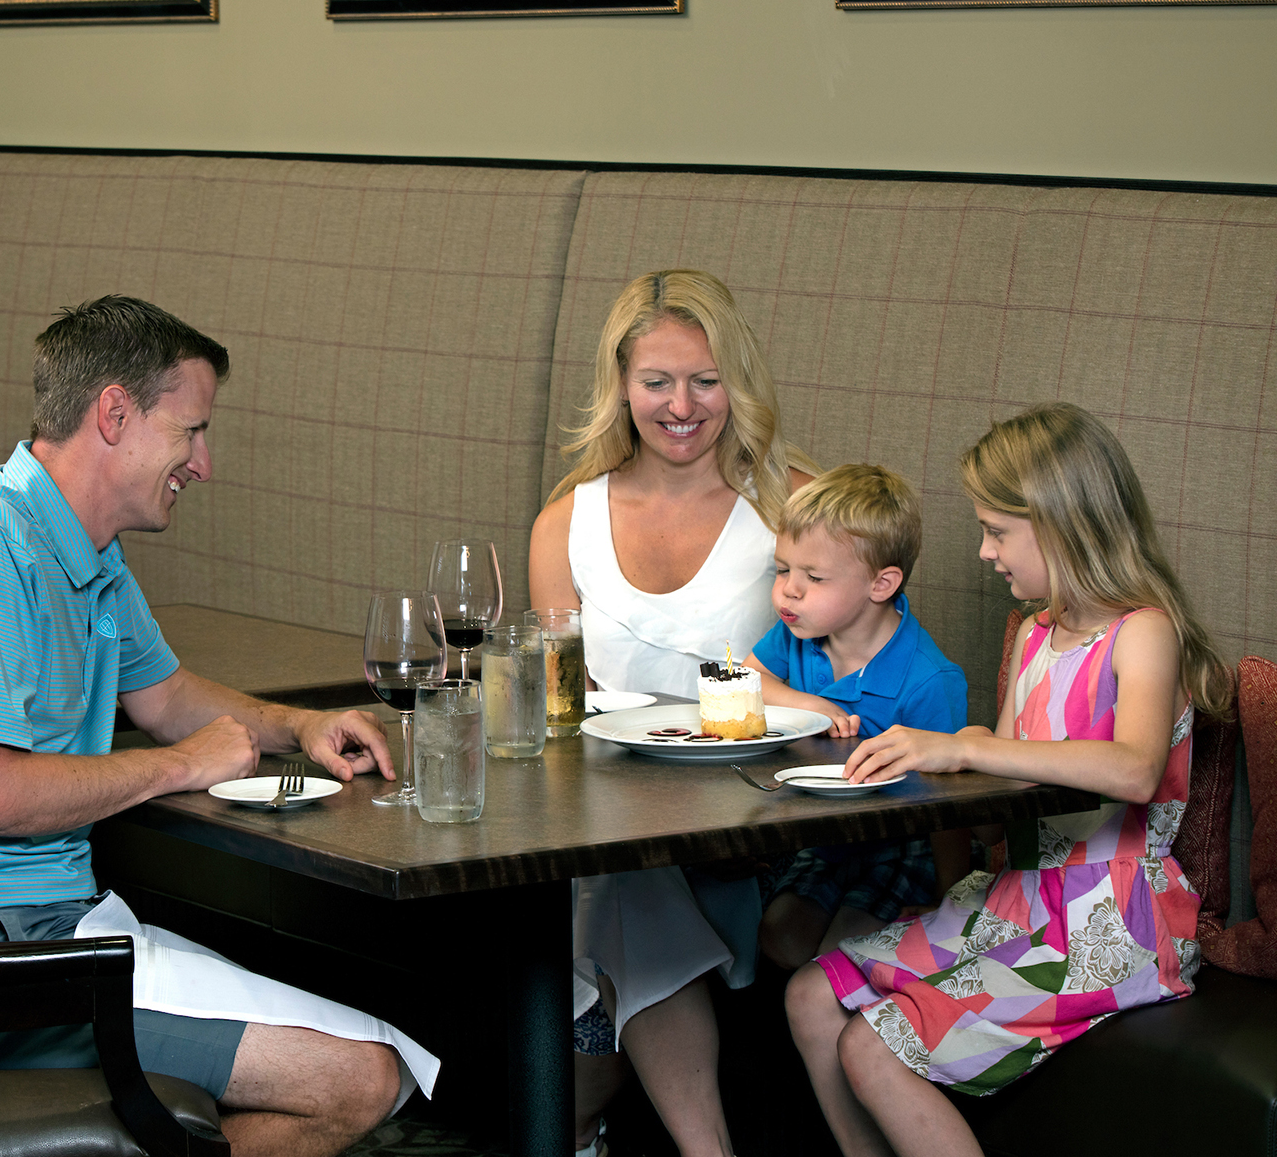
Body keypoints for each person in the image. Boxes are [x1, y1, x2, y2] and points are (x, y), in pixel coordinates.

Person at [0, 295, 436, 1157]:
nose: (204, 461)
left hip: (44, 930)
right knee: (357, 1077)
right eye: (190, 430)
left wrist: (295, 725)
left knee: (374, 1061)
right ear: (114, 414)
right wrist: (178, 766)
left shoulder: (90, 556)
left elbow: (167, 697)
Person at [785, 402, 1234, 1157]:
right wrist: (931, 777)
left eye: (998, 531)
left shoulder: (1144, 631)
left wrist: (971, 746)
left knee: (872, 1046)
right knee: (809, 996)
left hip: (1112, 919)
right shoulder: (1032, 635)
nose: (987, 553)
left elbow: (1133, 767)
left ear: (1062, 523)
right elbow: (1007, 806)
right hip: (1013, 901)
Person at [528, 269, 817, 1157]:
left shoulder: (795, 508)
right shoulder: (564, 524)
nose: (681, 404)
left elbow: (862, 683)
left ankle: (580, 1130)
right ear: (621, 384)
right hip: (604, 837)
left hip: (751, 837)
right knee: (615, 874)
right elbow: (556, 713)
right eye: (657, 381)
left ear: (739, 379)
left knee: (605, 902)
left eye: (706, 378)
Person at [743, 463, 971, 972]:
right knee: (777, 937)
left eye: (814, 577)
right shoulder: (796, 635)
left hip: (902, 843)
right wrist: (810, 705)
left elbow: (951, 813)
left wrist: (950, 904)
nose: (789, 591)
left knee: (841, 956)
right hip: (826, 839)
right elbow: (744, 682)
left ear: (881, 583)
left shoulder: (928, 680)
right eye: (783, 570)